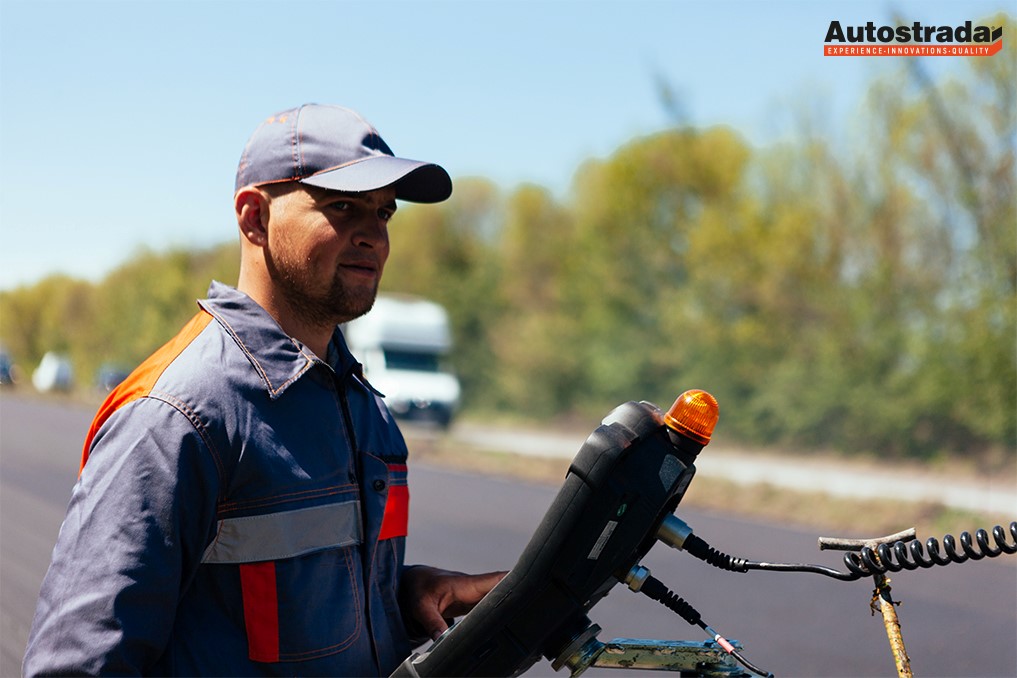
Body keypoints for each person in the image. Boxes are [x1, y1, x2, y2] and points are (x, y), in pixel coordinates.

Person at [23, 104, 504, 677]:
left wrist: (397, 594)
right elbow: (77, 665)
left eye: (384, 213)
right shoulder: (175, 417)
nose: (374, 236)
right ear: (254, 218)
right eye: (344, 207)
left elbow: (265, 598)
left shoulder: (360, 403)